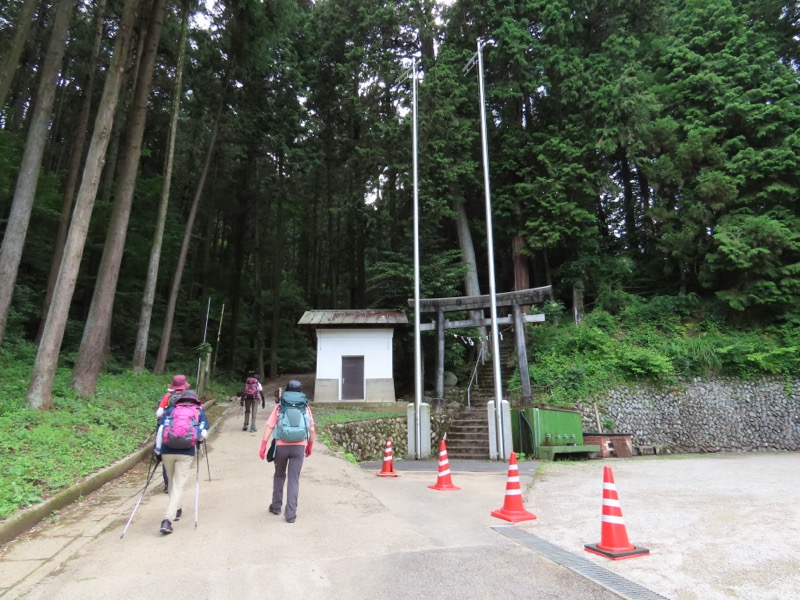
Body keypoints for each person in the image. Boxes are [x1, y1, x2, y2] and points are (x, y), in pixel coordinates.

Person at [259, 379, 315, 523]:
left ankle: (276, 506)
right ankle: (290, 514)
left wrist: (264, 444)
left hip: (281, 446)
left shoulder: (280, 406)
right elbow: (311, 429)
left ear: (286, 391)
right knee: (294, 479)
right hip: (299, 447)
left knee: (279, 475)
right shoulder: (305, 407)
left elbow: (270, 426)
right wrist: (309, 446)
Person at [154, 389, 210, 534]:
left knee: (172, 483)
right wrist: (198, 440)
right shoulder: (198, 412)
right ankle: (167, 519)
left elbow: (160, 430)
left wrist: (157, 451)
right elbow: (202, 434)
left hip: (167, 451)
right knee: (178, 485)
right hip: (186, 452)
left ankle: (177, 509)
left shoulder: (171, 410)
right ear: (194, 400)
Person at [155, 374, 191, 493]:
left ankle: (167, 485)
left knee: (166, 457)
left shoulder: (168, 396)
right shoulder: (188, 397)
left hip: (168, 430)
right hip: (185, 433)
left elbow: (159, 413)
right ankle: (178, 484)